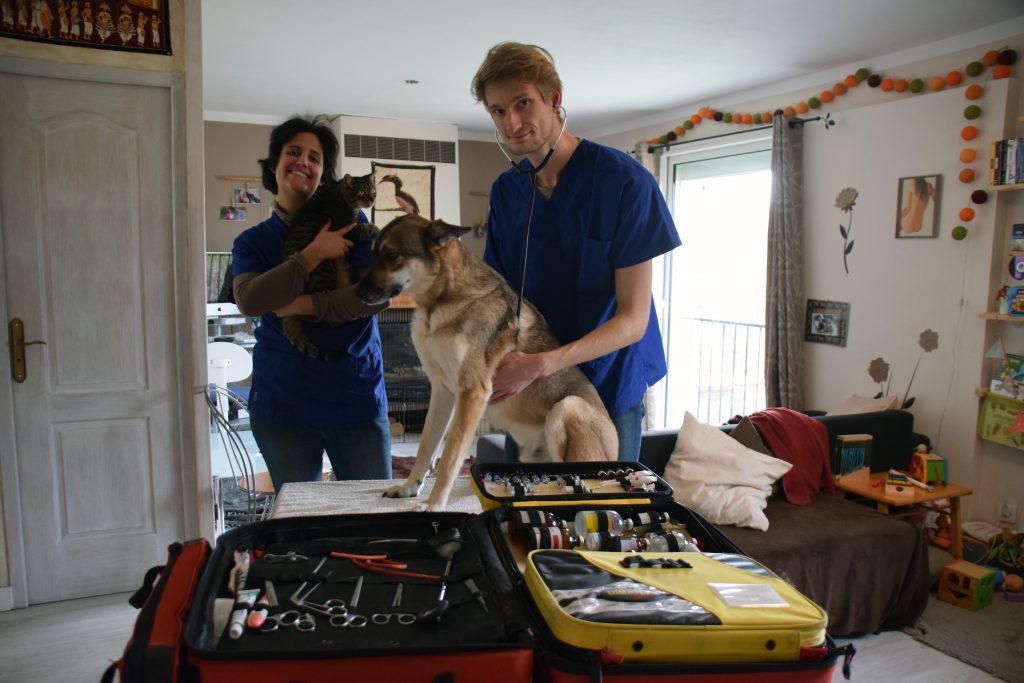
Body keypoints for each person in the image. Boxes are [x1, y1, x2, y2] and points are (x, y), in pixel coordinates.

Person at [471, 42, 681, 462]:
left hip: (607, 384)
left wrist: (541, 363)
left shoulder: (625, 183)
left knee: (600, 500)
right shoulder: (508, 192)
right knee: (524, 502)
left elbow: (633, 321)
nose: (511, 122)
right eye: (498, 110)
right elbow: (497, 298)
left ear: (554, 99)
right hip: (531, 392)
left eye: (523, 103)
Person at [231, 115, 391, 491]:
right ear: (275, 164)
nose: (303, 161)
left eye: (315, 158)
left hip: (356, 396)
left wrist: (303, 305)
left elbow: (375, 296)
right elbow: (250, 300)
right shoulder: (252, 241)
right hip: (283, 405)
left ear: (323, 174)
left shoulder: (353, 221)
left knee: (372, 512)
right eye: (293, 152)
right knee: (300, 516)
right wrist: (312, 255)